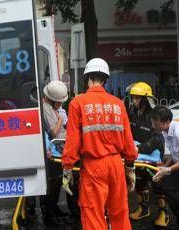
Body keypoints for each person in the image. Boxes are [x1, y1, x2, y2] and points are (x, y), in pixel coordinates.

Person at [61, 58, 138, 230]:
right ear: (105, 80)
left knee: (93, 214)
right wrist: (130, 167)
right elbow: (128, 141)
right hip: (116, 165)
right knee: (120, 213)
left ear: (87, 78)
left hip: (93, 166)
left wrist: (67, 169)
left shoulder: (78, 103)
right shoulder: (118, 104)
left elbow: (72, 141)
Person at [127, 82, 170, 228]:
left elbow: (157, 138)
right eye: (133, 97)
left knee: (158, 183)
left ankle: (165, 214)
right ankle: (143, 209)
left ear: (145, 99)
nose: (134, 101)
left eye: (138, 98)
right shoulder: (132, 111)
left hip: (153, 152)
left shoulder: (154, 114)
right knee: (140, 180)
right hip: (138, 152)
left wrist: (141, 148)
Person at [40, 80, 72, 225]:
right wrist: (60, 120)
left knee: (57, 181)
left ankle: (54, 208)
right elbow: (53, 132)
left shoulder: (48, 106)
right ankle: (50, 214)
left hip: (59, 146)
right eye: (59, 103)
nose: (61, 105)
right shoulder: (46, 109)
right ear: (53, 100)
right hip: (55, 149)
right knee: (53, 183)